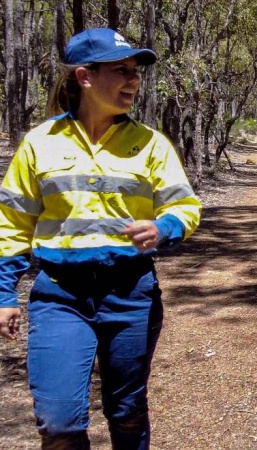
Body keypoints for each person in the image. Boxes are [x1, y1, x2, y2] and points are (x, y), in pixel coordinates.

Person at [0, 28, 201, 449]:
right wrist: (4, 294)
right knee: (58, 424)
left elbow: (185, 207)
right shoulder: (41, 143)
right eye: (121, 70)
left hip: (131, 293)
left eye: (135, 71)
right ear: (84, 77)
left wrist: (163, 228)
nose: (133, 80)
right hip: (60, 296)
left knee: (126, 411)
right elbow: (12, 222)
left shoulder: (150, 145)